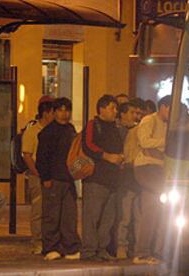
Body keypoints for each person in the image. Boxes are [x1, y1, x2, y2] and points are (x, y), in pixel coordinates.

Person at [36, 97, 81, 261]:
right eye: (61, 110)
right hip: (53, 179)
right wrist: (45, 177)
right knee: (51, 215)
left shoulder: (70, 129)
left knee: (69, 215)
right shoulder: (47, 132)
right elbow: (41, 158)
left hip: (69, 179)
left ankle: (70, 246)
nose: (64, 114)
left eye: (67, 110)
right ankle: (50, 247)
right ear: (54, 112)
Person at [81, 95, 124, 261]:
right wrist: (107, 156)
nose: (115, 111)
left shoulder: (114, 127)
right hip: (96, 179)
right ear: (102, 109)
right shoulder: (93, 125)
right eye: (112, 108)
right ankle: (89, 250)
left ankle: (101, 249)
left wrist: (120, 158)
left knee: (108, 217)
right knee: (92, 217)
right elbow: (88, 145)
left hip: (112, 180)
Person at [132, 95, 171, 265]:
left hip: (160, 169)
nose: (171, 112)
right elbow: (145, 142)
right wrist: (165, 142)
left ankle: (156, 250)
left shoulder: (168, 124)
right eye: (170, 108)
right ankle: (142, 252)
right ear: (162, 107)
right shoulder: (149, 120)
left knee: (160, 211)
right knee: (151, 210)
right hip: (147, 169)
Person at [21, 95, 55, 254]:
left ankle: (50, 240)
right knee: (38, 210)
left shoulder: (55, 131)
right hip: (37, 176)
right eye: (53, 111)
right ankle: (37, 242)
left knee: (51, 210)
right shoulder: (33, 131)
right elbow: (27, 155)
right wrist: (37, 173)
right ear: (46, 113)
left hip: (53, 175)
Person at [116, 102, 139, 259]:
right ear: (122, 114)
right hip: (125, 180)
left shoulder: (135, 131)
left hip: (137, 179)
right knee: (125, 216)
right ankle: (121, 247)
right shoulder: (120, 132)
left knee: (136, 216)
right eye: (132, 112)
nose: (135, 116)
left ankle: (135, 246)